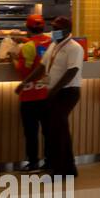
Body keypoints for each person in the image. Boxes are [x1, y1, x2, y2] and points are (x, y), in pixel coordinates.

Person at [9, 14, 52, 171]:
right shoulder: (51, 42)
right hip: (48, 93)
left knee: (31, 132)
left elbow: (23, 72)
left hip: (30, 96)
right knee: (48, 131)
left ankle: (33, 163)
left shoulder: (28, 47)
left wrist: (12, 58)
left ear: (28, 28)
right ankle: (49, 162)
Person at [41, 16, 83, 177]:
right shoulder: (54, 45)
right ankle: (67, 167)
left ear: (67, 31)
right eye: (53, 27)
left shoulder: (74, 48)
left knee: (58, 129)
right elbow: (42, 66)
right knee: (56, 130)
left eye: (56, 28)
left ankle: (62, 169)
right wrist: (26, 82)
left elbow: (72, 71)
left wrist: (54, 90)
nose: (53, 31)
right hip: (55, 92)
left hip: (68, 92)